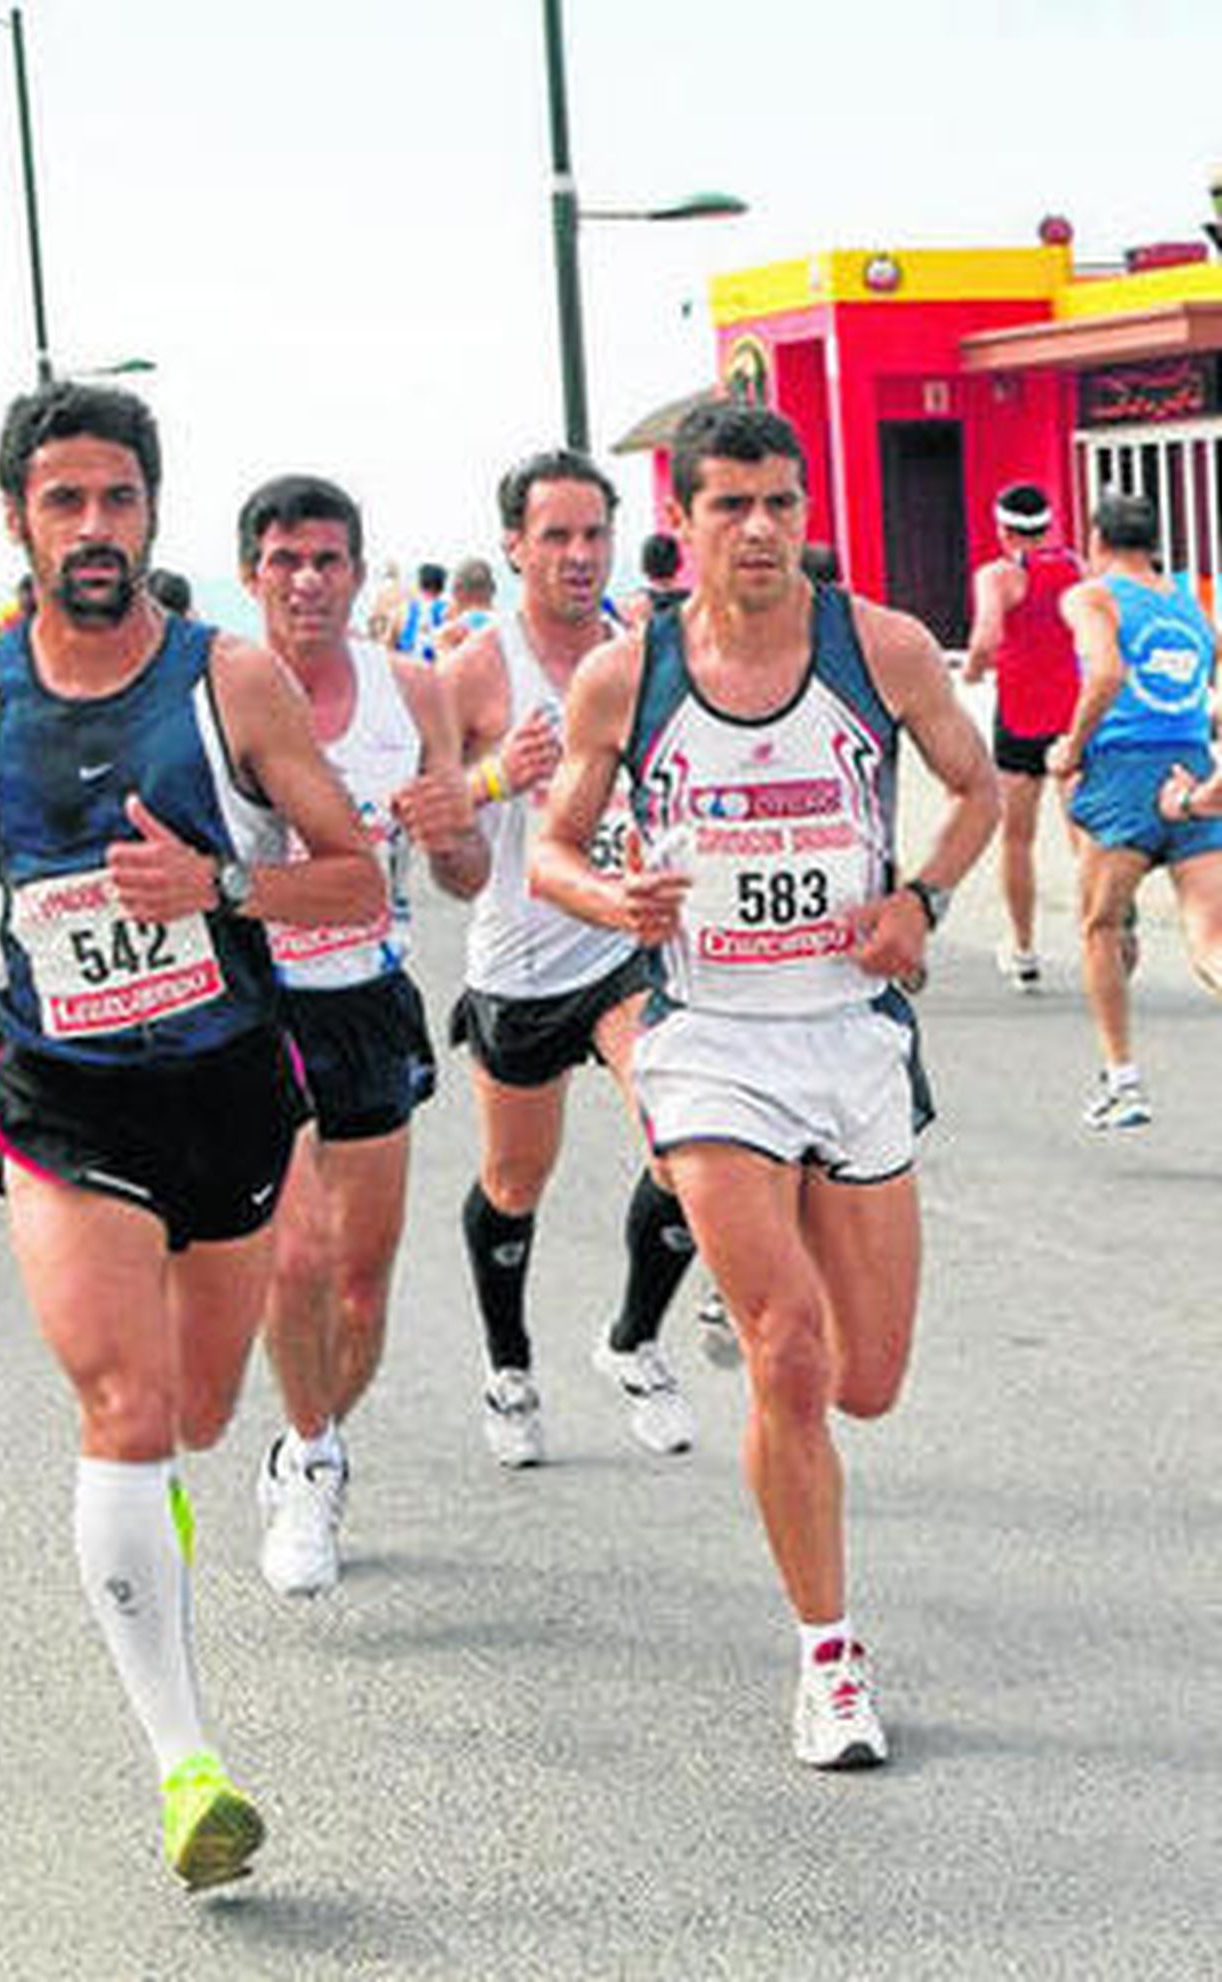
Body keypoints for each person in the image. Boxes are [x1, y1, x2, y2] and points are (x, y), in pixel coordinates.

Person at [0, 380, 381, 1891]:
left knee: (202, 1413)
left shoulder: (232, 685)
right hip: (60, 1092)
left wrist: (216, 890)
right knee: (123, 1404)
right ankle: (187, 1769)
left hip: (225, 1088)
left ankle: (153, 1528)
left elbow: (350, 880)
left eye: (120, 500)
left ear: (152, 513)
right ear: (16, 518)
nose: (96, 529)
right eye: (66, 501)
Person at [529, 399, 998, 1769]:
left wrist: (921, 895)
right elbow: (551, 850)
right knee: (793, 1353)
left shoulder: (883, 647)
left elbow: (973, 791)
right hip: (710, 1038)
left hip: (850, 1032)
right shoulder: (627, 677)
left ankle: (764, 1320)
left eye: (782, 501)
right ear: (682, 521)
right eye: (731, 504)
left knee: (869, 1381)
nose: (762, 529)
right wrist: (616, 897)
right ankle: (829, 1658)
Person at [238, 473, 488, 1597]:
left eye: (326, 560)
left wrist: (451, 840)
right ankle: (312, 1457)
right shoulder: (209, 691)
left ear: (356, 571)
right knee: (293, 1253)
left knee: (360, 1283)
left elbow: (465, 871)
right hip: (247, 1006)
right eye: (285, 560)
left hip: (365, 994)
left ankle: (309, 1441)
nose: (306, 581)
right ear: (251, 574)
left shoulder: (414, 690)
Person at [438, 448, 701, 1466]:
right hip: (518, 960)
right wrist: (499, 773)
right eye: (555, 535)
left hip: (625, 946)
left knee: (680, 1140)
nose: (579, 554)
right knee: (513, 1178)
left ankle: (633, 1339)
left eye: (593, 533)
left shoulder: (645, 650)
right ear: (513, 546)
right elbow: (418, 813)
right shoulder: (474, 669)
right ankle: (508, 1368)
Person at [1049, 490, 1222, 1129]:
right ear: (1154, 542)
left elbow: (1105, 674)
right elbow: (1209, 673)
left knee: (1100, 924)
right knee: (1210, 938)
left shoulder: (1092, 596)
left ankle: (1124, 1081)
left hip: (1122, 771)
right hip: (1191, 765)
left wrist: (1070, 747)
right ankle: (1120, 1081)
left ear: (1095, 540)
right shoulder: (1189, 602)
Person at [963, 484, 1083, 990]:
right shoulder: (1078, 568)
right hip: (1073, 713)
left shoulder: (998, 575)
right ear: (1048, 525)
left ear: (1003, 528)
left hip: (1019, 716)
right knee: (1087, 838)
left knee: (1017, 839)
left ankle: (1025, 950)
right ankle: (1111, 936)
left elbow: (987, 636)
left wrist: (971, 671)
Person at [432, 555, 497, 658]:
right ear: (493, 588)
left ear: (457, 590)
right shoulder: (512, 627)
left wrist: (441, 645)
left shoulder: (450, 634)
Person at [393, 561, 448, 661]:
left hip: (406, 666)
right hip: (434, 668)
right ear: (442, 588)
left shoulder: (403, 610)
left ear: (419, 584)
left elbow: (388, 645)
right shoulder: (448, 612)